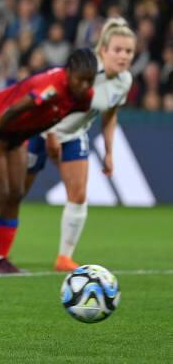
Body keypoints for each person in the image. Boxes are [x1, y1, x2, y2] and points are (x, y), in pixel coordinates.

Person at [0, 49, 97, 274]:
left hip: (18, 132)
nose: (85, 86)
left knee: (16, 192)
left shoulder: (84, 97)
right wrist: (0, 137)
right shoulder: (52, 87)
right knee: (0, 192)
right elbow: (15, 109)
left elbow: (56, 118)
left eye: (90, 81)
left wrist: (36, 136)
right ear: (68, 73)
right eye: (80, 80)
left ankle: (1, 259)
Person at [24, 18, 136, 271]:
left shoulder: (124, 81)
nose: (124, 56)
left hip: (74, 134)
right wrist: (51, 133)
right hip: (41, 128)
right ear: (103, 50)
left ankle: (64, 257)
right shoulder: (87, 71)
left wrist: (109, 152)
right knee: (16, 193)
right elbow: (55, 95)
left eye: (129, 51)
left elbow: (109, 115)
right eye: (118, 50)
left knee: (78, 194)